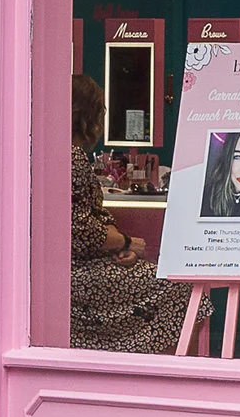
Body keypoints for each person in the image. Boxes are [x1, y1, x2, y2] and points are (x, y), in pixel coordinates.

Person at [70, 72, 175, 351]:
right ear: (90, 116)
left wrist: (114, 245)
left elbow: (84, 224)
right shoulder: (73, 157)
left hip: (67, 270)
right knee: (182, 291)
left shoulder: (48, 151)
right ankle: (162, 373)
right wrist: (127, 243)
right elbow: (81, 231)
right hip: (76, 275)